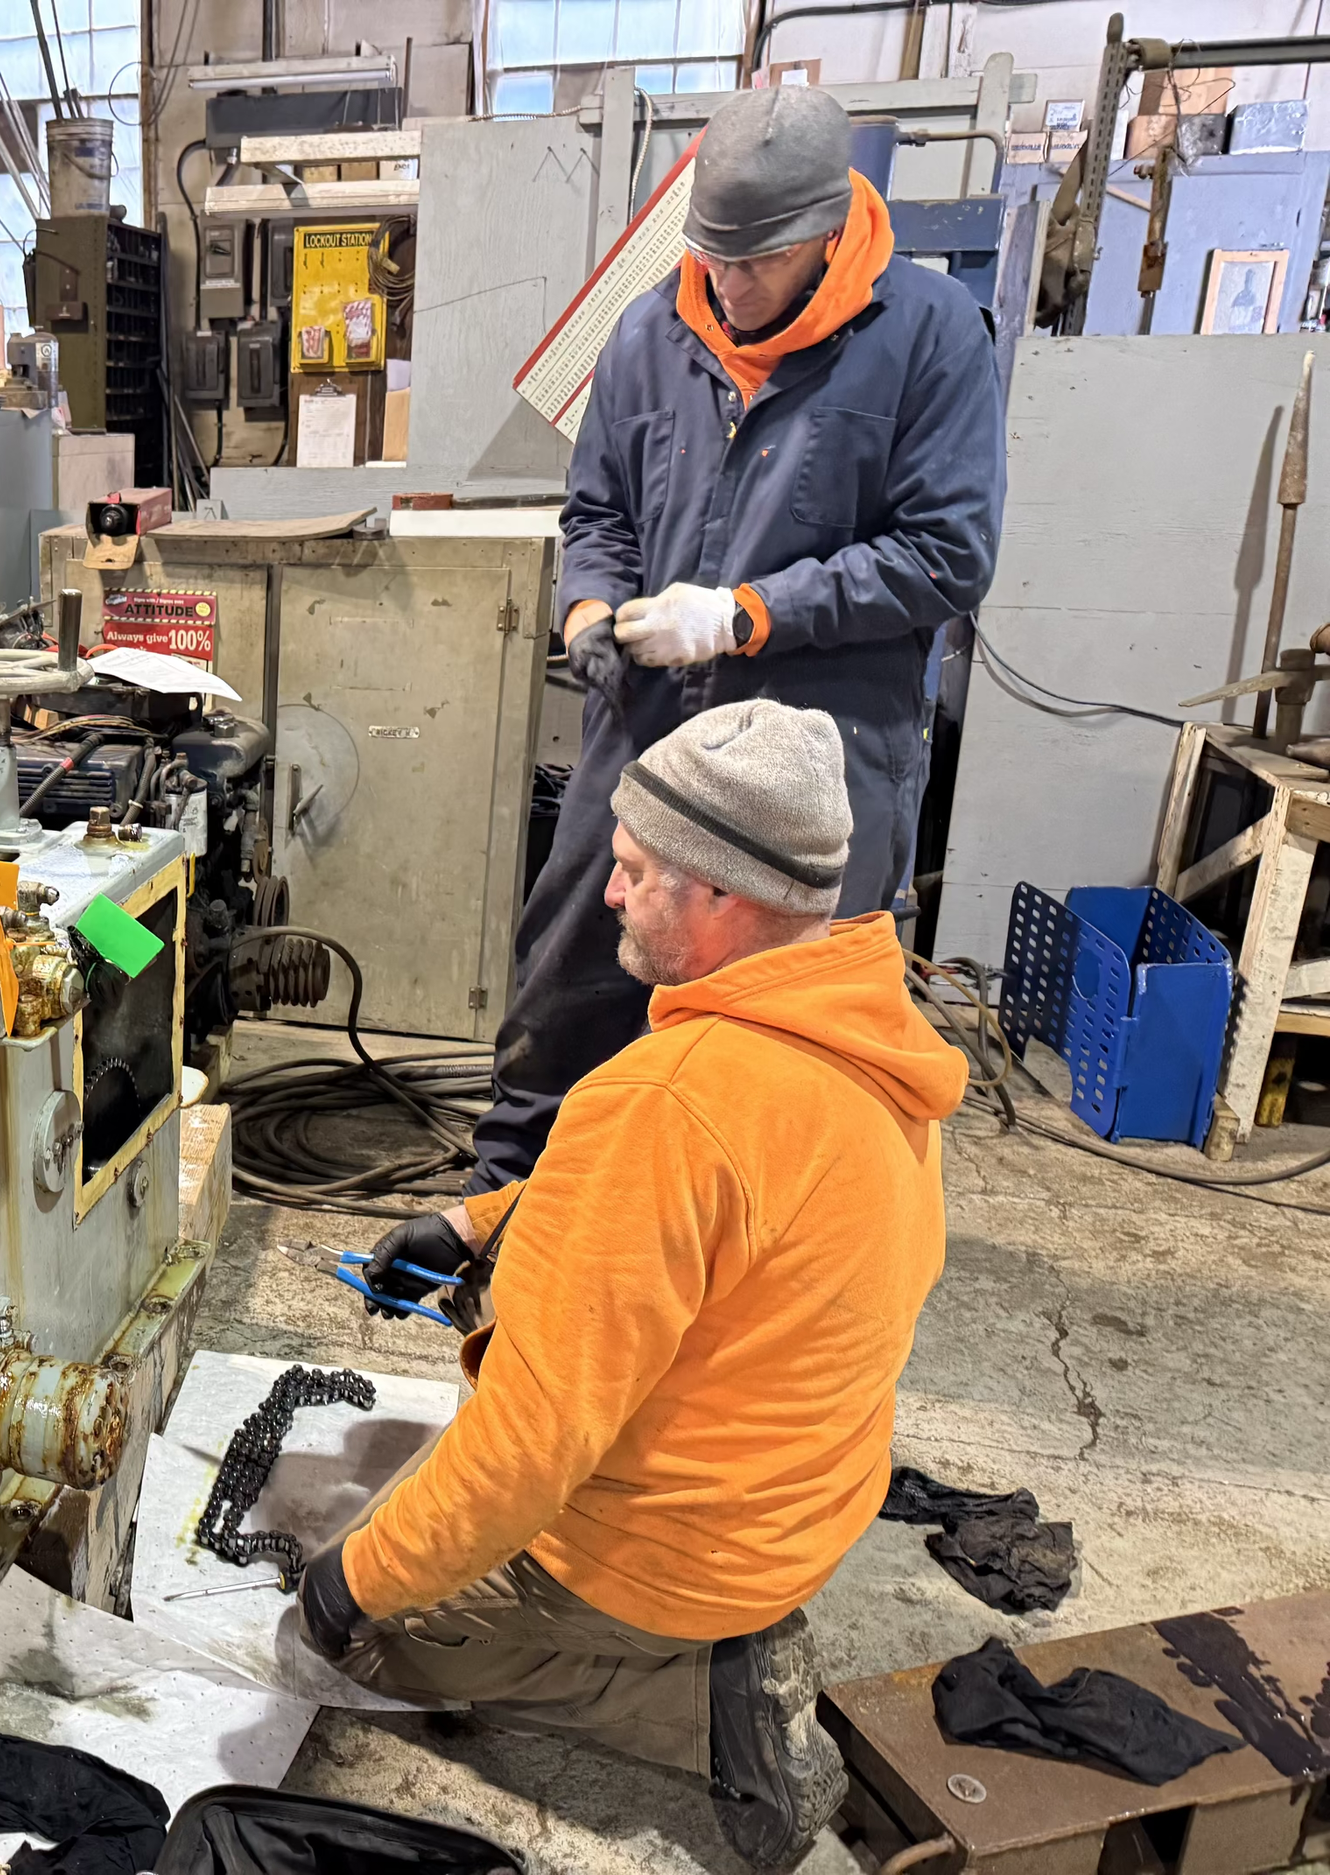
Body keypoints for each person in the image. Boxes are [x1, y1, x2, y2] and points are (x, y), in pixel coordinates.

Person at [305, 701, 969, 1870]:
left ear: (719, 893)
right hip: (799, 1505)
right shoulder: (856, 1033)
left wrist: (350, 1586)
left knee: (373, 1631)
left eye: (630, 868)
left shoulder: (670, 1099)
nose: (607, 894)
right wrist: (476, 1221)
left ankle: (690, 1706)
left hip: (677, 1560)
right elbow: (707, 1208)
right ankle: (709, 1640)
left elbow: (528, 1446)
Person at [465, 82, 1003, 1192]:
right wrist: (586, 606)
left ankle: (759, 1242)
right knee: (570, 971)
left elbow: (948, 555)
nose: (727, 283)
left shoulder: (927, 338)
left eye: (752, 261)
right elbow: (599, 513)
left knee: (791, 1034)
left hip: (821, 754)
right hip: (649, 734)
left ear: (822, 233)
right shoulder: (653, 330)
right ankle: (508, 1209)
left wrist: (747, 615)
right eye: (712, 255)